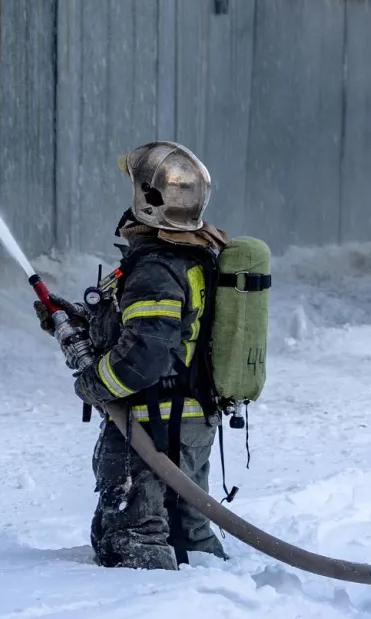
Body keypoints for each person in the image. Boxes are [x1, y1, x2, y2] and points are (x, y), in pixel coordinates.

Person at [36, 140, 229, 569]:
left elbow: (144, 356)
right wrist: (83, 321)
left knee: (133, 542)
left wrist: (92, 384)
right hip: (187, 419)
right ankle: (217, 595)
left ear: (148, 198)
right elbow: (160, 332)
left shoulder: (156, 269)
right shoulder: (192, 256)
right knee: (187, 536)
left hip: (153, 425)